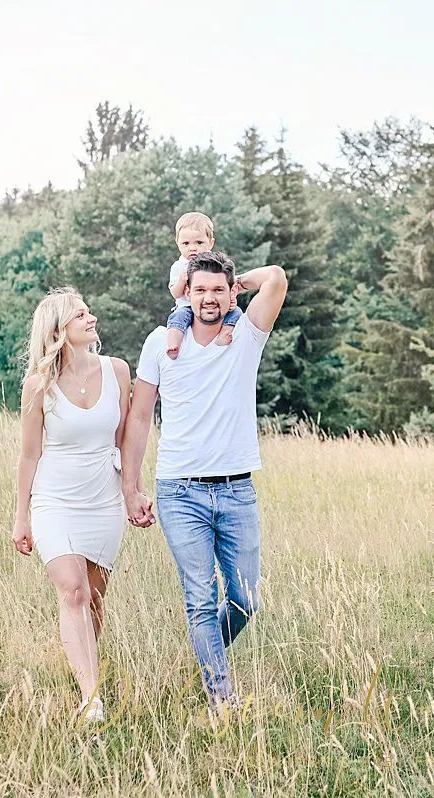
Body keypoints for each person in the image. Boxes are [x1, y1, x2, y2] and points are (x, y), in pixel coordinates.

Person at [121, 251, 288, 713]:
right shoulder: (161, 342)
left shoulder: (246, 336)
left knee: (245, 600)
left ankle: (206, 650)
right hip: (180, 490)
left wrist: (239, 285)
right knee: (200, 597)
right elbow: (138, 417)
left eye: (218, 289)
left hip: (237, 490)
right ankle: (221, 695)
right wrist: (131, 486)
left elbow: (274, 279)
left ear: (230, 292)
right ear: (186, 293)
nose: (209, 298)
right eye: (201, 290)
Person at [11, 287, 135, 724]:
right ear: (59, 330)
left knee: (94, 601)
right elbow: (29, 454)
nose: (91, 317)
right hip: (55, 501)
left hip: (103, 500)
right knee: (74, 590)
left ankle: (82, 668)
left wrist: (133, 491)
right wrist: (21, 516)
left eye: (89, 310)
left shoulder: (117, 371)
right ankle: (91, 699)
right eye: (80, 314)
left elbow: (129, 441)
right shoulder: (38, 386)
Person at [165, 212, 241, 360]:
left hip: (213, 310)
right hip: (185, 306)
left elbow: (227, 284)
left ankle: (225, 334)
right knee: (177, 319)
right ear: (177, 243)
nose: (192, 248)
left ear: (210, 243)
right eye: (186, 244)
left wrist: (231, 298)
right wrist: (181, 281)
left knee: (236, 313)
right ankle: (173, 345)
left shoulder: (215, 263)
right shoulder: (178, 266)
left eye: (199, 243)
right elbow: (175, 293)